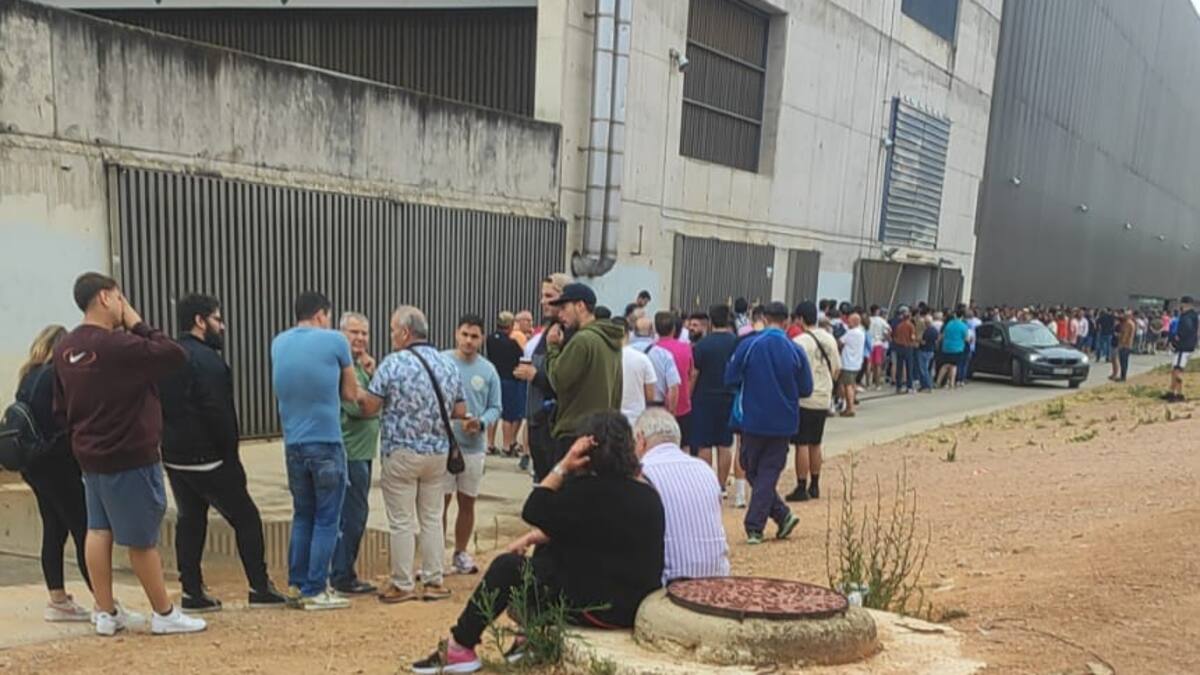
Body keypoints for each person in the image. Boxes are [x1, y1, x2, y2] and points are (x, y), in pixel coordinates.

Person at [411, 412, 665, 674]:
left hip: (593, 609)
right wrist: (537, 536)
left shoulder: (583, 493)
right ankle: (527, 637)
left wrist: (563, 466)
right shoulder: (648, 495)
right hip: (631, 607)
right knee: (549, 545)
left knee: (507, 567)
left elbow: (533, 509)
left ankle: (460, 645)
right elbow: (594, 531)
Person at [53, 272, 204, 635]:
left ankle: (105, 611)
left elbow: (60, 408)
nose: (123, 306)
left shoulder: (65, 349)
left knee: (98, 530)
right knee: (140, 538)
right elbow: (174, 354)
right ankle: (165, 613)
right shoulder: (118, 345)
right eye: (120, 298)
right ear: (106, 297)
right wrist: (137, 322)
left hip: (90, 455)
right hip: (129, 454)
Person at [160, 294, 285, 611]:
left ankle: (192, 591)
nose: (222, 326)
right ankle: (259, 587)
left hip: (175, 457)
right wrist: (231, 459)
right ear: (200, 321)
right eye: (217, 319)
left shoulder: (167, 357)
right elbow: (220, 415)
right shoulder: (210, 363)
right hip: (209, 458)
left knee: (190, 521)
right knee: (247, 519)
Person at [359, 306, 465, 604]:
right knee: (432, 517)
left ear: (405, 332)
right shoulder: (448, 364)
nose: (392, 335)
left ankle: (403, 583)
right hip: (438, 454)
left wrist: (362, 384)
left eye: (393, 330)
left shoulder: (392, 364)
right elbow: (459, 410)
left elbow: (369, 407)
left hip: (401, 452)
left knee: (402, 520)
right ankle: (434, 581)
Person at [271, 291, 359, 610]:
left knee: (303, 514)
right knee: (327, 518)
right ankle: (316, 587)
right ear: (322, 314)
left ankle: (296, 584)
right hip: (326, 440)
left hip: (293, 441)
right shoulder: (335, 341)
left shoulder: (278, 342)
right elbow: (350, 393)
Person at [16, 325, 93, 623]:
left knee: (54, 529)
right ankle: (104, 601)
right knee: (83, 529)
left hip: (33, 465)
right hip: (58, 464)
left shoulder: (27, 377)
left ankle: (58, 599)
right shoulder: (56, 377)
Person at [724, 301, 812, 544]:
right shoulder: (795, 351)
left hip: (752, 418)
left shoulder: (749, 345)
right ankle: (782, 515)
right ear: (787, 321)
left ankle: (755, 526)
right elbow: (806, 388)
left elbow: (730, 377)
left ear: (763, 317)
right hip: (784, 420)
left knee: (751, 468)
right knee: (768, 471)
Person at [634, 408, 730, 583]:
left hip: (672, 584)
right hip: (716, 578)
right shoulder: (705, 470)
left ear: (640, 440)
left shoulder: (644, 472)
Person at [443, 314, 503, 576]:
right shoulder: (442, 362)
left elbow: (496, 407)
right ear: (457, 334)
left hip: (474, 447)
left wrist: (481, 423)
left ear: (481, 339)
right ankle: (435, 556)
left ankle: (461, 552)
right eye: (465, 334)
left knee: (467, 502)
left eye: (474, 336)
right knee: (438, 503)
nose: (469, 340)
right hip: (443, 445)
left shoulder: (488, 371)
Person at [544, 283, 624, 467]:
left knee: (568, 492)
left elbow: (558, 379)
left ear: (580, 306)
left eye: (564, 307)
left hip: (574, 432)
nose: (560, 314)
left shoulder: (583, 340)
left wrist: (553, 348)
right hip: (602, 431)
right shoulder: (610, 340)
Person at [330, 311, 380, 596]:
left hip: (363, 452)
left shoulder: (360, 366)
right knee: (352, 515)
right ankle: (342, 575)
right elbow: (360, 408)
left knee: (353, 514)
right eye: (354, 333)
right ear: (342, 335)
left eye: (364, 333)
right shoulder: (343, 370)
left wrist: (372, 375)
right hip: (351, 453)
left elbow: (372, 400)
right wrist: (379, 401)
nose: (360, 338)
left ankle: (342, 570)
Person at [513, 273, 572, 480]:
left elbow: (566, 380)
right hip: (537, 421)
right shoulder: (548, 330)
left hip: (552, 425)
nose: (543, 301)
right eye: (542, 295)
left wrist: (536, 375)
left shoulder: (568, 335)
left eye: (549, 296)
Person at [787, 301, 839, 502]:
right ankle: (815, 484)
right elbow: (836, 368)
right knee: (816, 443)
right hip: (823, 397)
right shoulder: (830, 339)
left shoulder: (799, 342)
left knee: (801, 444)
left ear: (800, 319)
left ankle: (801, 485)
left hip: (804, 398)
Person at [689, 304, 738, 493]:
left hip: (704, 398)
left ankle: (705, 485)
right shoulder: (736, 343)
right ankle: (721, 485)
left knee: (704, 444)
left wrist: (690, 396)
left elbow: (694, 373)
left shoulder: (703, 345)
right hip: (729, 396)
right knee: (725, 443)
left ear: (710, 321)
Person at [486, 311, 526, 457]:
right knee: (509, 415)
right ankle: (507, 445)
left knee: (493, 411)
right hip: (510, 380)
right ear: (510, 325)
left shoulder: (490, 339)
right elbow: (522, 357)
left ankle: (489, 444)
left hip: (494, 377)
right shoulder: (512, 343)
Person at [654, 311, 695, 448]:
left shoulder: (652, 349)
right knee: (683, 446)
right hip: (683, 403)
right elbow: (691, 373)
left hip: (657, 406)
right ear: (674, 328)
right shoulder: (686, 348)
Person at [628, 315, 681, 411]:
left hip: (629, 407)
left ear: (634, 332)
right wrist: (671, 411)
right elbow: (673, 387)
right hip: (655, 407)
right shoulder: (664, 354)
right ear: (652, 332)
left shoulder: (623, 353)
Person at [618, 319, 658, 426]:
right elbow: (650, 395)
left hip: (612, 418)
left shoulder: (605, 358)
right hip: (637, 418)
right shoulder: (642, 358)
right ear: (628, 334)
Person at [1166, 296, 1196, 402]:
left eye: (1181, 303)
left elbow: (1186, 329)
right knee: (1175, 369)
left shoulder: (1187, 316)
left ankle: (1179, 394)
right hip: (1187, 346)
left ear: (1185, 304)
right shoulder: (1193, 315)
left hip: (1183, 347)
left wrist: (1176, 338)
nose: (1180, 305)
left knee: (1177, 370)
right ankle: (1171, 391)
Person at [837, 314, 865, 417]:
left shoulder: (851, 333)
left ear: (854, 322)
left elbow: (840, 342)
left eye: (849, 321)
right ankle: (849, 404)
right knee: (852, 385)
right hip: (857, 362)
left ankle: (850, 408)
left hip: (848, 363)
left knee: (847, 385)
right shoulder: (861, 332)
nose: (848, 323)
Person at [937, 310, 969, 388]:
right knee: (953, 366)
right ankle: (951, 383)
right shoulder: (963, 326)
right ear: (962, 317)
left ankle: (938, 381)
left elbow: (943, 335)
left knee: (945, 365)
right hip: (957, 348)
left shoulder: (949, 324)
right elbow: (966, 339)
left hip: (946, 347)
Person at [891, 308, 917, 394]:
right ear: (909, 317)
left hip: (899, 347)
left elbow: (895, 336)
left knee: (899, 366)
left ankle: (898, 386)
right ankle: (909, 386)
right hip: (908, 347)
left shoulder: (899, 326)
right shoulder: (910, 326)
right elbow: (912, 337)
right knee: (909, 367)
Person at [866, 305, 890, 390]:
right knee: (878, 364)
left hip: (869, 343)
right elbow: (889, 329)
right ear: (877, 311)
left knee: (868, 364)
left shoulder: (868, 319)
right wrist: (886, 338)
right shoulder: (881, 320)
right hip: (878, 343)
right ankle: (877, 384)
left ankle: (867, 384)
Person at [917, 308, 938, 392]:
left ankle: (928, 386)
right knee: (927, 368)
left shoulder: (927, 331)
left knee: (923, 369)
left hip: (924, 351)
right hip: (931, 350)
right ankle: (924, 385)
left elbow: (923, 342)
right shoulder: (935, 331)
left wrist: (917, 339)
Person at [1115, 310, 1135, 382]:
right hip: (1128, 345)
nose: (1124, 316)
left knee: (1123, 362)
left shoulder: (1128, 324)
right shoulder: (1131, 323)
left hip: (1125, 345)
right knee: (1124, 362)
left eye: (1126, 315)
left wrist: (1121, 344)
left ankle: (1123, 377)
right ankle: (1123, 376)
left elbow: (1125, 335)